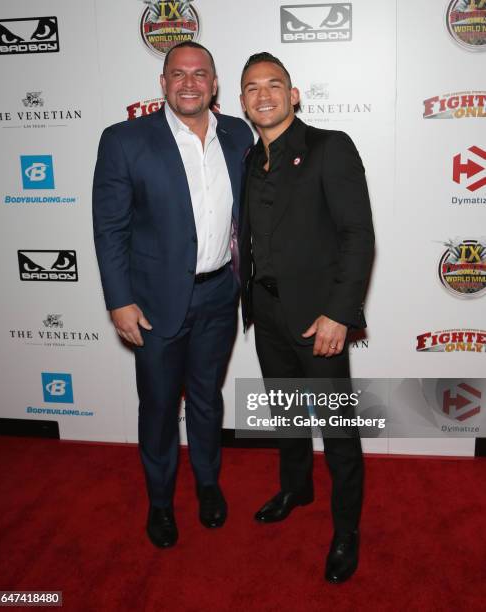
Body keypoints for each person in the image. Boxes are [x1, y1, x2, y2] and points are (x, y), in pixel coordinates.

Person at [92, 42, 253, 549]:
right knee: (159, 407)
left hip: (219, 295)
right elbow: (110, 228)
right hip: (155, 304)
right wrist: (119, 300)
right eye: (178, 74)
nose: (189, 83)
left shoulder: (237, 134)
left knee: (207, 400)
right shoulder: (124, 140)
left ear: (214, 83)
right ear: (163, 83)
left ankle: (208, 485)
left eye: (199, 74)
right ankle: (160, 502)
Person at [238, 52, 374, 583]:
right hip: (265, 310)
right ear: (243, 101)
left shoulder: (329, 147)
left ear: (294, 95)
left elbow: (358, 236)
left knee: (337, 429)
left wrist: (339, 314)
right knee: (287, 413)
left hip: (319, 317)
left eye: (275, 84)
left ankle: (346, 529)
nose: (264, 94)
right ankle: (296, 487)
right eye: (252, 87)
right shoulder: (249, 159)